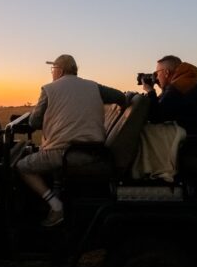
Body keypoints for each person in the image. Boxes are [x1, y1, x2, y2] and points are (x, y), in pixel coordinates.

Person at [17, 54, 126, 227]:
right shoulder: (93, 87)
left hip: (63, 153)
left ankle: (56, 206)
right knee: (54, 169)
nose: (52, 73)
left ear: (59, 71)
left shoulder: (48, 89)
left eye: (53, 69)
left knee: (22, 167)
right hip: (93, 152)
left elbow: (34, 122)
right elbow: (121, 97)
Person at [141, 55, 197, 136]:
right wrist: (163, 87)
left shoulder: (180, 85)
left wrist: (150, 91)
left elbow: (155, 117)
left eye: (156, 73)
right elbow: (168, 103)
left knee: (146, 131)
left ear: (166, 72)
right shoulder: (192, 78)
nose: (156, 78)